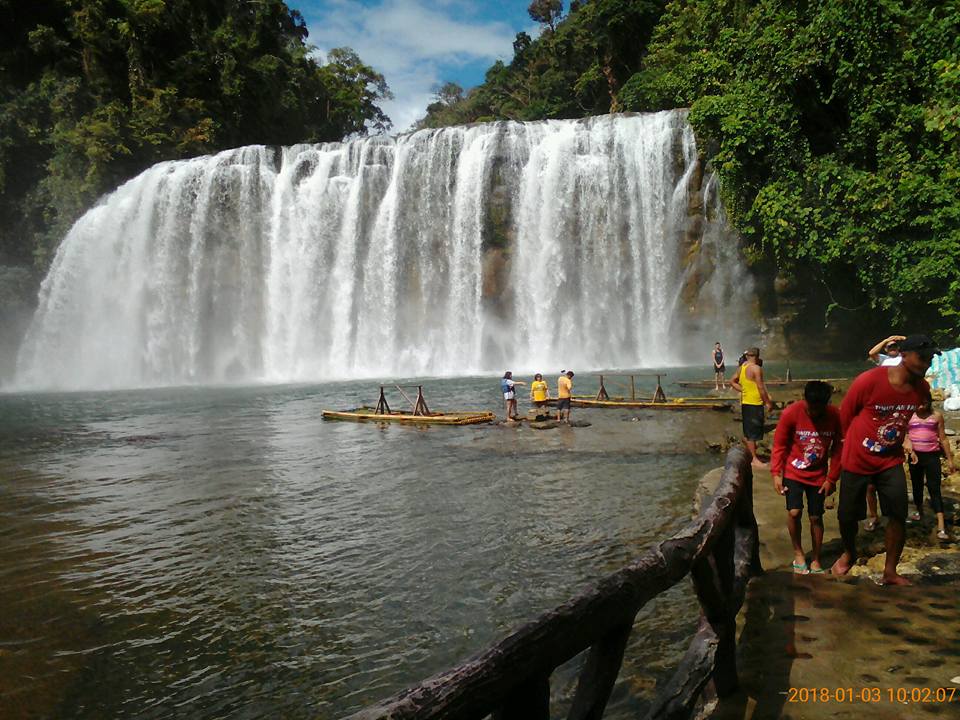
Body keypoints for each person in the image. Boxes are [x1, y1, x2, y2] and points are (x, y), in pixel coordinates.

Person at [831, 334, 939, 585]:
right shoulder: (869, 381)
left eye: (930, 358)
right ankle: (849, 553)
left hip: (890, 460)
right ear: (903, 354)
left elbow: (905, 420)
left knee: (898, 514)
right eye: (922, 357)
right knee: (847, 515)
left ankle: (890, 571)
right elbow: (846, 415)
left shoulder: (922, 388)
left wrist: (907, 441)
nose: (927, 364)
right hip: (858, 458)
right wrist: (846, 449)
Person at [770, 382, 842, 574]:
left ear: (827, 403)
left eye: (819, 408)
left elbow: (838, 449)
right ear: (805, 400)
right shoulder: (791, 413)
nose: (814, 413)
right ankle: (798, 553)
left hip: (818, 475)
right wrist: (776, 474)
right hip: (793, 471)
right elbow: (779, 445)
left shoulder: (835, 416)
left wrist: (832, 478)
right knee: (794, 512)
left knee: (816, 517)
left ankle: (816, 558)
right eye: (811, 408)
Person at [904, 394, 955, 540]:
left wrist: (950, 460)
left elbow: (943, 438)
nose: (922, 405)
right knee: (917, 485)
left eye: (925, 402)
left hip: (932, 456)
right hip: (915, 456)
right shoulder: (909, 416)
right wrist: (908, 449)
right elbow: (905, 435)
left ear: (929, 403)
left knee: (934, 487)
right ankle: (919, 511)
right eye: (919, 402)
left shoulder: (936, 416)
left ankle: (941, 525)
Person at [729, 347, 775, 468]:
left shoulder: (742, 367)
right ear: (757, 356)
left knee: (752, 430)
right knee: (752, 433)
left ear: (747, 356)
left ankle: (749, 446)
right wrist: (768, 402)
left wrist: (743, 389)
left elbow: (732, 381)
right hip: (754, 403)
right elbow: (760, 387)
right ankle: (754, 459)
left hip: (746, 402)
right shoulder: (756, 369)